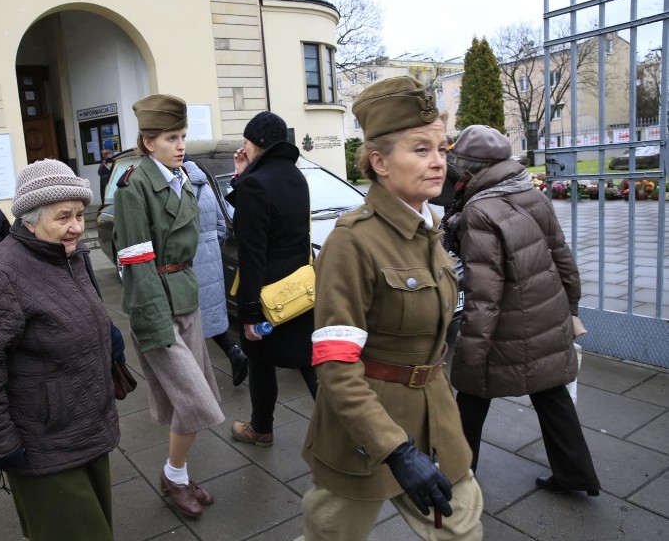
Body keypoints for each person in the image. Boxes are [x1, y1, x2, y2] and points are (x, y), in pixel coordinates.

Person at [298, 76, 483, 541]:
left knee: (461, 526)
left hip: (434, 414)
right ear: (379, 162)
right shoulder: (352, 241)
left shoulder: (430, 228)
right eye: (421, 150)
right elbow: (336, 366)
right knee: (332, 533)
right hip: (363, 427)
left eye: (442, 149)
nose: (439, 162)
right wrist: (396, 450)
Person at [0, 158, 123, 541]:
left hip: (88, 428)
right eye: (63, 217)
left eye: (81, 215)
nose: (77, 227)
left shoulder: (69, 257)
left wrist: (106, 336)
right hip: (42, 445)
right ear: (29, 219)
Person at [443, 124, 601, 497]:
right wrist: (570, 307)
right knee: (550, 393)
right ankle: (576, 475)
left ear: (470, 168)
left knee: (471, 396)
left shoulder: (479, 209)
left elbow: (483, 294)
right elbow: (562, 255)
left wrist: (469, 351)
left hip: (505, 327)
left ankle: (457, 481)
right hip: (546, 314)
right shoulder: (528, 192)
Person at [113, 94, 224, 518]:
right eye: (171, 138)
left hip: (186, 297)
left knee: (189, 401)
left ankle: (175, 475)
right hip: (155, 303)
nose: (181, 145)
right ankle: (173, 474)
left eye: (182, 137)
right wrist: (154, 323)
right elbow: (137, 263)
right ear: (147, 143)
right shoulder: (134, 187)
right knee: (197, 402)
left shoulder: (183, 178)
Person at [225, 111, 317, 448]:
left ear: (259, 142)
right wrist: (242, 176)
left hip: (266, 297)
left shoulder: (256, 184)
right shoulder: (296, 176)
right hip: (299, 290)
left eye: (247, 141)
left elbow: (251, 254)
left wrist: (249, 313)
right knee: (309, 360)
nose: (244, 147)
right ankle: (346, 433)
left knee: (261, 360)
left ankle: (261, 428)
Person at [183, 156, 248, 386]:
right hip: (211, 259)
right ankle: (233, 352)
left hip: (189, 261)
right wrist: (209, 247)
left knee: (189, 319)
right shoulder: (207, 185)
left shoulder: (178, 186)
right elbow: (221, 225)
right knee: (209, 313)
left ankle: (196, 378)